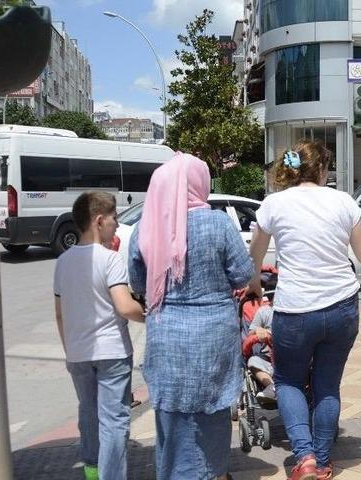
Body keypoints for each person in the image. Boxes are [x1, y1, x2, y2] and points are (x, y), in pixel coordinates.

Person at [247, 140, 361, 480]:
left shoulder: (274, 203)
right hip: (342, 307)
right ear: (323, 169)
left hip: (294, 311)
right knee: (327, 385)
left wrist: (253, 284)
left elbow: (254, 256)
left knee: (289, 381)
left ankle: (305, 456)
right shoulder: (343, 202)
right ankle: (322, 463)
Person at [128, 153, 253, 480]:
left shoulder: (146, 226)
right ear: (200, 183)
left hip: (166, 339)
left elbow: (139, 283)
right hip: (214, 340)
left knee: (172, 421)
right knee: (211, 418)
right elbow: (242, 274)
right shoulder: (219, 223)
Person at [53, 191, 145, 480]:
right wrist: (153, 315)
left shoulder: (62, 262)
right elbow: (125, 307)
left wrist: (70, 350)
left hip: (78, 352)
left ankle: (92, 473)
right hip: (113, 353)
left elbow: (60, 314)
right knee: (114, 421)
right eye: (115, 218)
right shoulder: (110, 259)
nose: (117, 225)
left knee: (89, 416)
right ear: (99, 220)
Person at [241, 304, 276, 406]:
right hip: (268, 359)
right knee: (253, 361)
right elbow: (251, 334)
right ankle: (272, 387)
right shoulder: (265, 312)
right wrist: (258, 330)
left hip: (294, 358)